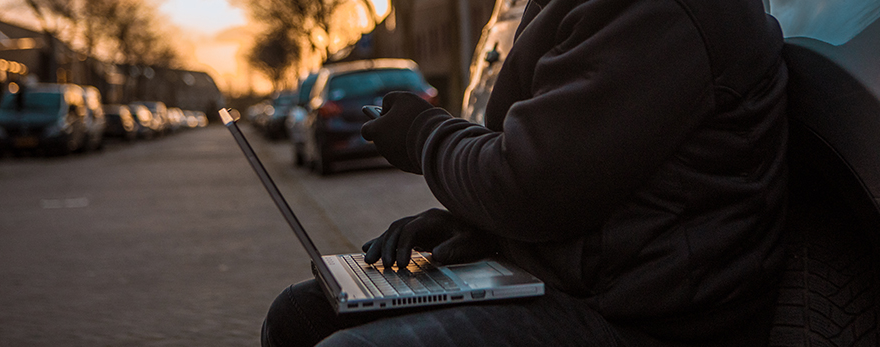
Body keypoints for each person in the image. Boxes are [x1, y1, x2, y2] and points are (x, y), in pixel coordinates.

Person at [261, 0, 789, 345]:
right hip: (580, 276)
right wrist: (476, 228)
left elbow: (534, 185)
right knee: (298, 315)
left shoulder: (661, 10)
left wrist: (424, 137)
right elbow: (580, 167)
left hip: (647, 319)